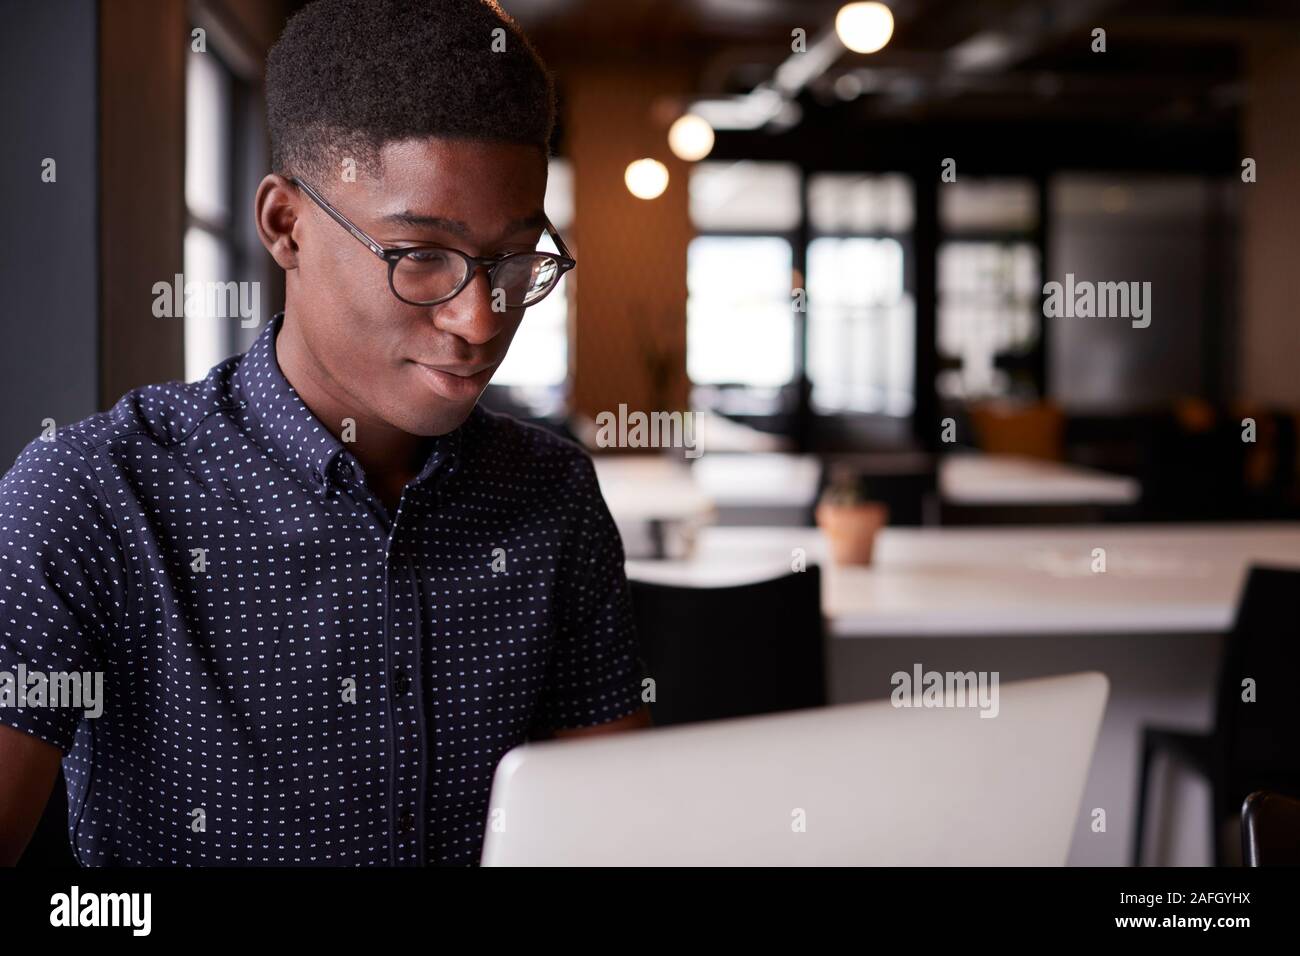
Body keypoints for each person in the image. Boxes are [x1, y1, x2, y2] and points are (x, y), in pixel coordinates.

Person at [0, 0, 649, 867]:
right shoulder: (92, 494)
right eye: (421, 254)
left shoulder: (553, 495)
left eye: (517, 261)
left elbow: (616, 837)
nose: (481, 318)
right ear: (284, 226)